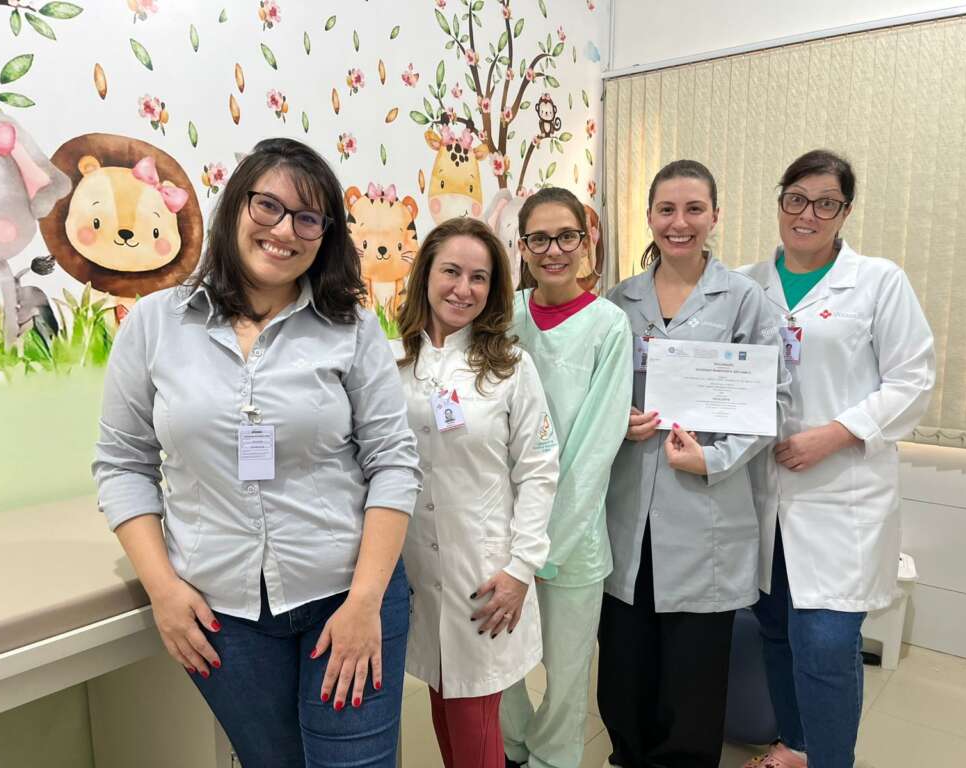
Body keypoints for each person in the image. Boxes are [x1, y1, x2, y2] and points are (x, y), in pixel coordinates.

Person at [93, 138, 421, 768]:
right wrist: (163, 591)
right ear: (235, 207)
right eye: (268, 206)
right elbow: (122, 463)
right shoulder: (155, 324)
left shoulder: (351, 328)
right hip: (222, 613)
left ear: (325, 235)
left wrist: (365, 601)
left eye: (308, 218)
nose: (285, 230)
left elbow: (393, 463)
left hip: (346, 595)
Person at [739, 149, 935, 768]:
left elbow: (913, 380)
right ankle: (794, 745)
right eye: (796, 198)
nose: (808, 214)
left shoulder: (878, 281)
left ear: (845, 212)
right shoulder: (746, 284)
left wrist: (836, 434)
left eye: (826, 203)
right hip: (762, 493)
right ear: (779, 202)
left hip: (840, 492)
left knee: (824, 644)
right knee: (775, 628)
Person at [600, 160, 791, 768]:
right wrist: (617, 421)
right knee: (625, 668)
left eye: (693, 209)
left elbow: (772, 400)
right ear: (649, 217)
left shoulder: (746, 301)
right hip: (629, 511)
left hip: (704, 507)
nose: (678, 223)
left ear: (715, 216)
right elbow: (596, 393)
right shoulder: (619, 301)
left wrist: (713, 457)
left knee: (693, 677)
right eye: (666, 210)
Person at [396, 216, 558, 768]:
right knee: (444, 709)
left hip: (485, 577)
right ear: (426, 275)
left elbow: (539, 469)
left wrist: (521, 569)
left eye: (479, 277)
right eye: (451, 272)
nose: (463, 289)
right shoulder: (397, 362)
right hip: (419, 574)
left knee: (474, 723)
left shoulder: (511, 367)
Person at [500, 187, 633, 768]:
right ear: (522, 246)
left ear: (586, 240)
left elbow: (597, 443)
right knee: (499, 659)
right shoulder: (502, 316)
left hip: (572, 533)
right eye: (539, 239)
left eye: (566, 237)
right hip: (500, 525)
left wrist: (547, 537)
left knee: (568, 666)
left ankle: (552, 757)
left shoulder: (609, 326)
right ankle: (511, 746)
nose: (553, 250)